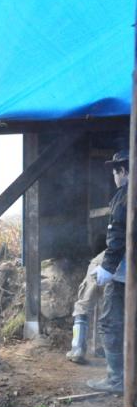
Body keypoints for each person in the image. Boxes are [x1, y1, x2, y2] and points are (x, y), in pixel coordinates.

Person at [87, 144, 129, 393]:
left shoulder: (123, 197)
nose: (114, 177)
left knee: (110, 322)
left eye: (115, 171)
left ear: (123, 170)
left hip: (123, 273)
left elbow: (117, 236)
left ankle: (116, 379)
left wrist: (107, 268)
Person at [65, 250, 105, 363]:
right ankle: (79, 348)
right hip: (109, 263)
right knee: (110, 307)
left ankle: (78, 348)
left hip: (109, 261)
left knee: (84, 305)